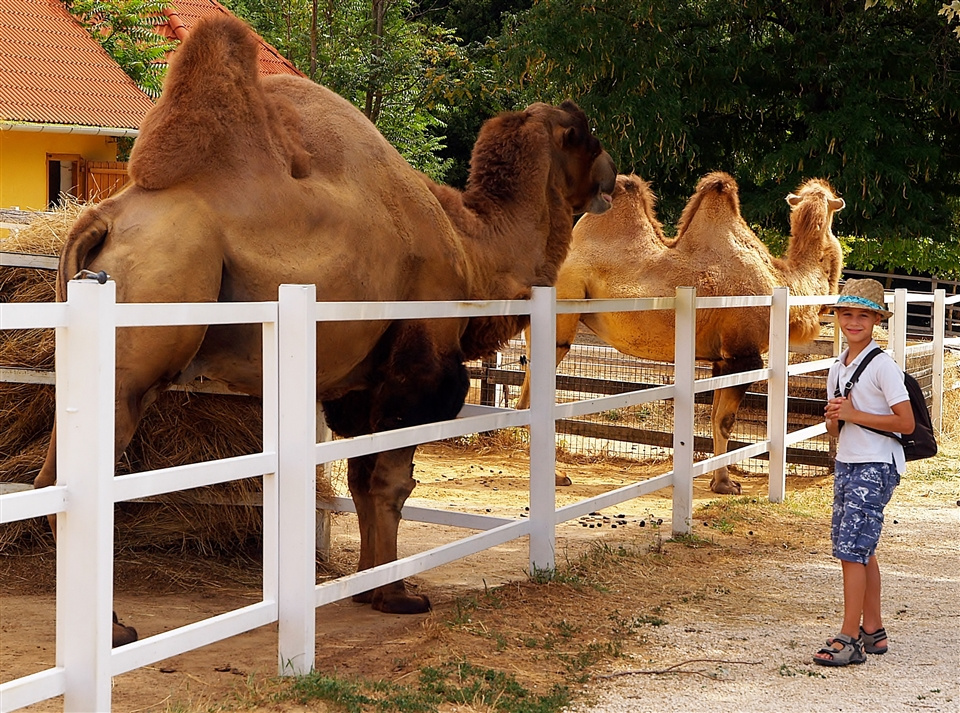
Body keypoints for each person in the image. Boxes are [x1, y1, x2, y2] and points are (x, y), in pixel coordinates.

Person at [814, 278, 915, 667]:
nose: (853, 322)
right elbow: (837, 426)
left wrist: (854, 414)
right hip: (849, 460)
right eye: (846, 314)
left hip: (876, 463)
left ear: (875, 320)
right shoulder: (838, 366)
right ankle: (873, 629)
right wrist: (835, 421)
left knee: (851, 550)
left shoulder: (883, 367)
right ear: (837, 317)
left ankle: (848, 636)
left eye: (863, 315)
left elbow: (905, 423)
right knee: (859, 547)